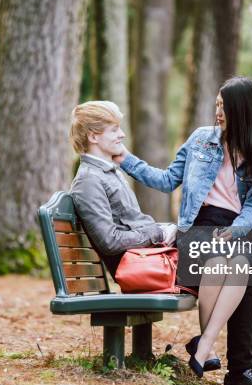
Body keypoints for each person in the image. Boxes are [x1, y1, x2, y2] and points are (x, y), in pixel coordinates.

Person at [114, 77, 252, 385]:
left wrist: (235, 229)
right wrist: (126, 160)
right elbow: (167, 179)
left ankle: (246, 367)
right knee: (247, 270)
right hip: (198, 229)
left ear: (242, 110)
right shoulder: (201, 139)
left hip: (238, 227)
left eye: (224, 106)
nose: (218, 112)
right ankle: (238, 367)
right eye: (216, 105)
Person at [68, 100, 177, 277]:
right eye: (114, 130)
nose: (122, 134)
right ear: (93, 137)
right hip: (143, 267)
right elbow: (110, 242)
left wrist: (165, 231)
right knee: (224, 262)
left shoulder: (108, 173)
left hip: (151, 259)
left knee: (227, 256)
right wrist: (157, 233)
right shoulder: (89, 180)